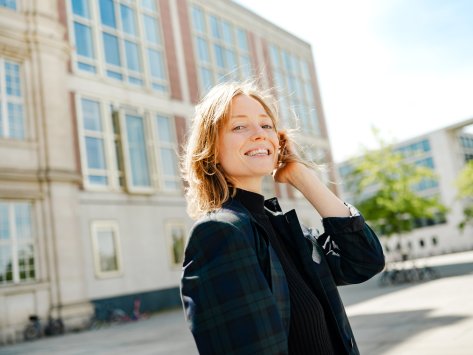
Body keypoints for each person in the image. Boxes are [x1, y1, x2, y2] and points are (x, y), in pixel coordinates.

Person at [180, 81, 385, 355]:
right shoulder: (220, 233)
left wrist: (301, 176)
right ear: (211, 149)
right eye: (239, 126)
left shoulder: (284, 228)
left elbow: (364, 261)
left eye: (266, 126)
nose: (259, 134)